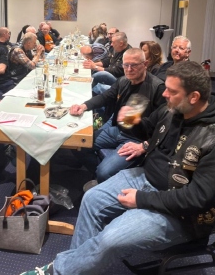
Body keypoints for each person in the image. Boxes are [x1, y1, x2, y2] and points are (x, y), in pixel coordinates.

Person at [13, 61, 215, 275]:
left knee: (111, 239)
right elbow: (149, 130)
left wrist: (141, 199)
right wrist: (133, 122)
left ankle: (55, 274)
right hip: (146, 178)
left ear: (194, 97)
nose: (164, 94)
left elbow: (197, 199)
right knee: (91, 199)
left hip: (182, 212)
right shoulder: (174, 111)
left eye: (172, 91)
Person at [70, 48, 165, 183]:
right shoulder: (123, 81)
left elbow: (163, 125)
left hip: (137, 139)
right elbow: (105, 97)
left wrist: (144, 145)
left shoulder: (158, 88)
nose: (129, 69)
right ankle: (101, 178)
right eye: (126, 65)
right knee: (78, 145)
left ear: (145, 64)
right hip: (118, 130)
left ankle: (103, 177)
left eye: (134, 65)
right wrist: (84, 106)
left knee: (104, 172)